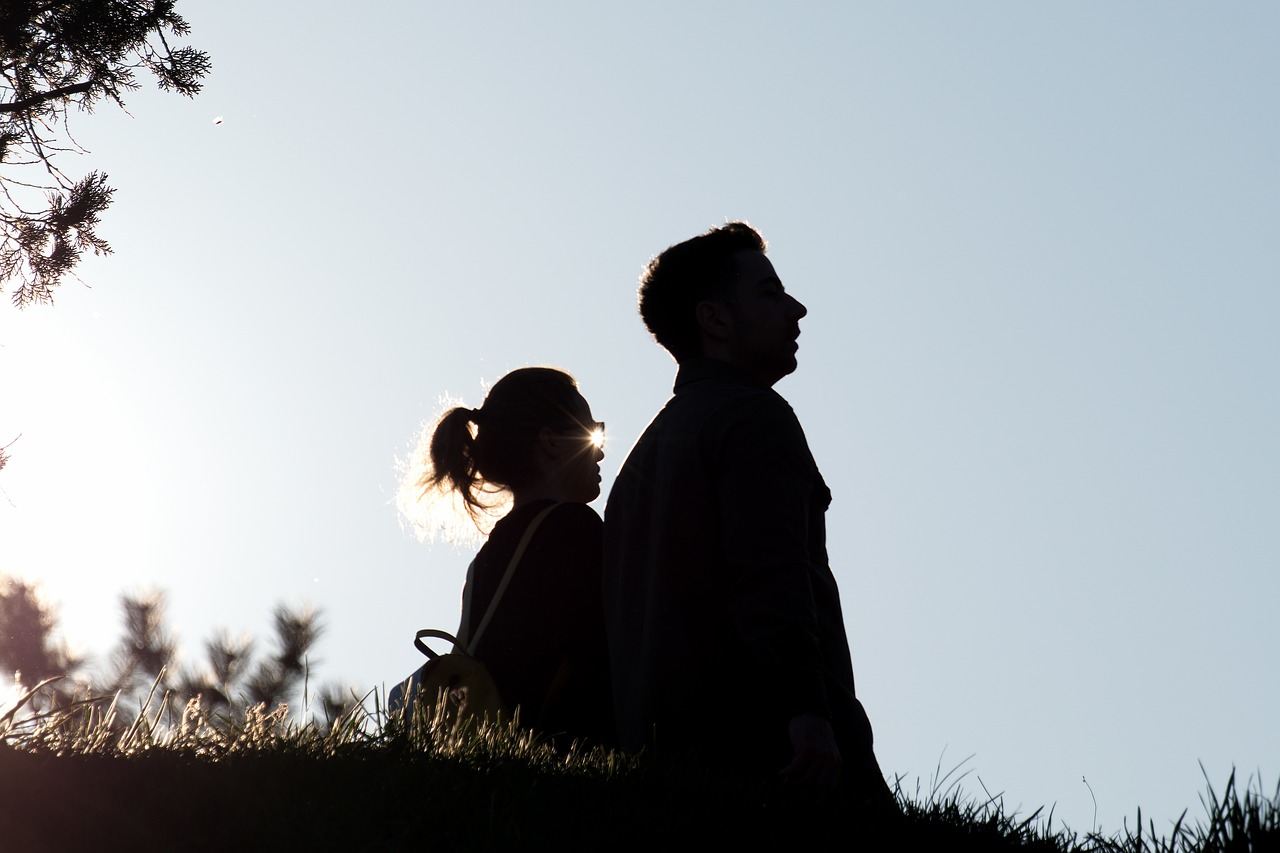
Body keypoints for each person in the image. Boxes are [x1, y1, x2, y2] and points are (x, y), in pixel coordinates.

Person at [603, 222, 889, 797]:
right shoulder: (755, 417)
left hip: (661, 771)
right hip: (767, 750)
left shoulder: (639, 463)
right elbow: (772, 574)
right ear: (715, 320)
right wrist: (809, 715)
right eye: (769, 292)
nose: (797, 308)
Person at [402, 366, 613, 746]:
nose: (600, 450)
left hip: (504, 760)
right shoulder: (573, 529)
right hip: (560, 761)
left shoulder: (487, 557)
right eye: (593, 432)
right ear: (550, 440)